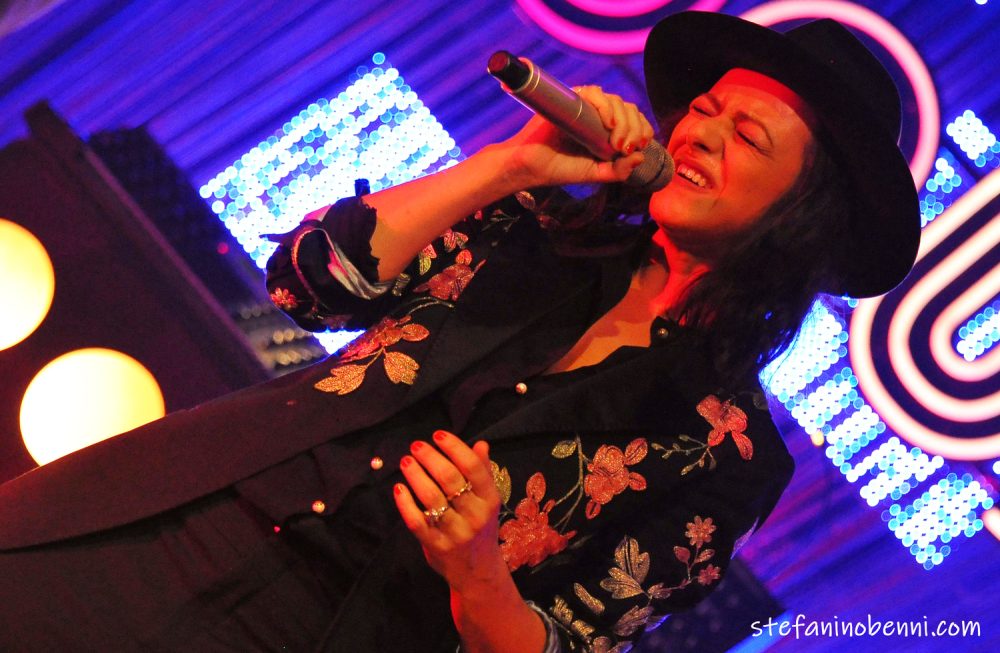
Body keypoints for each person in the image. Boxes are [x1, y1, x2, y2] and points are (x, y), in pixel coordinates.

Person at [0, 11, 918, 653]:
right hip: (177, 514)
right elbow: (304, 281)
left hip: (328, 631)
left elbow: (568, 644)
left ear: (801, 213)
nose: (702, 135)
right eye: (705, 110)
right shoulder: (534, 229)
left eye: (748, 138)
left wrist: (475, 563)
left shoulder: (728, 456)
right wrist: (510, 165)